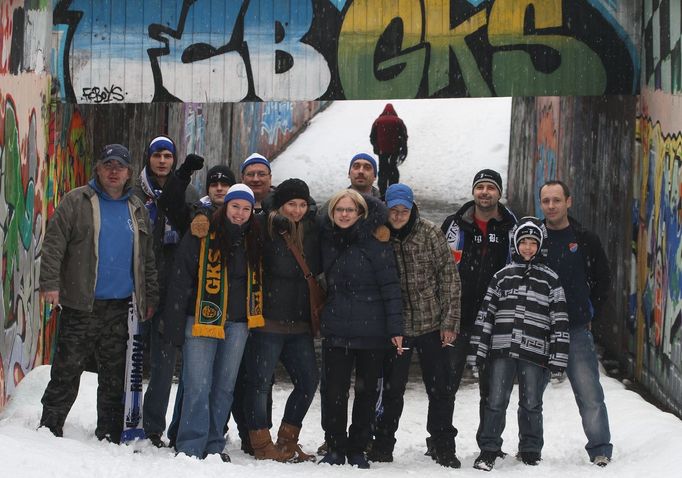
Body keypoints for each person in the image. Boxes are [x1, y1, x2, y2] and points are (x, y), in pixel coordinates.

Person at [39, 144, 158, 443]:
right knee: (68, 367)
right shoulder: (76, 201)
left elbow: (147, 259)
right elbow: (54, 246)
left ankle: (110, 430)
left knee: (114, 374)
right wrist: (50, 284)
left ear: (130, 171)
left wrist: (149, 297)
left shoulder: (137, 207)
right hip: (81, 304)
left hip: (121, 307)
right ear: (99, 168)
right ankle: (50, 425)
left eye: (120, 166)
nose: (114, 171)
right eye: (108, 165)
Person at [160, 184, 264, 462]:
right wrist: (173, 320)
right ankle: (191, 445)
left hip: (238, 324)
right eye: (235, 207)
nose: (240, 214)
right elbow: (181, 277)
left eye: (246, 209)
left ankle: (214, 443)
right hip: (201, 318)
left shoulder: (256, 237)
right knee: (197, 384)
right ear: (225, 207)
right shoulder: (202, 231)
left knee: (224, 387)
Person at [368, 184, 462, 467]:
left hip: (432, 324)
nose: (398, 216)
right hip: (398, 328)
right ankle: (383, 444)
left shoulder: (430, 232)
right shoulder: (379, 235)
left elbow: (449, 278)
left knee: (440, 389)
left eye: (404, 210)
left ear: (412, 208)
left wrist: (450, 321)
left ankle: (443, 445)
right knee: (393, 390)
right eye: (393, 210)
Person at [469, 217, 570, 471]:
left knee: (532, 402)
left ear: (539, 245)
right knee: (496, 400)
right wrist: (478, 352)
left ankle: (531, 448)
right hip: (502, 351)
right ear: (515, 244)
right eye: (523, 242)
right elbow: (486, 316)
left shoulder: (550, 279)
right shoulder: (502, 277)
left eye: (532, 243)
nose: (527, 248)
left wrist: (558, 358)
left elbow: (559, 320)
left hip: (535, 353)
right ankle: (489, 448)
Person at [317, 189, 403, 468]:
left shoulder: (376, 243)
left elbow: (390, 289)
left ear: (361, 213)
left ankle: (357, 447)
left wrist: (395, 328)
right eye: (339, 210)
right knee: (334, 393)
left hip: (372, 332)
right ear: (332, 213)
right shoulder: (326, 241)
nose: (344, 214)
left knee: (366, 395)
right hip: (337, 331)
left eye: (350, 210)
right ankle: (335, 446)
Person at [440, 169, 516, 457]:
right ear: (474, 191)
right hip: (457, 318)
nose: (485, 192)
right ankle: (441, 441)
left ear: (499, 193)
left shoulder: (511, 226)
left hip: (496, 321)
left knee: (492, 388)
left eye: (491, 188)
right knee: (446, 384)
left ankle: (489, 444)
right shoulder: (454, 225)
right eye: (480, 187)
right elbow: (440, 269)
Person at [245, 178, 320, 462]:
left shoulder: (313, 229)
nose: (297, 211)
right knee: (260, 383)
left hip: (299, 325)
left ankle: (288, 441)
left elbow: (362, 211)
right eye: (292, 204)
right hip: (268, 323)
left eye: (302, 204)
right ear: (281, 204)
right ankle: (261, 443)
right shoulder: (264, 227)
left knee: (308, 381)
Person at [539, 180, 613, 467]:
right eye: (546, 201)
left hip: (575, 329)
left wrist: (591, 312)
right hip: (539, 328)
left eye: (557, 200)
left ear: (568, 202)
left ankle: (600, 448)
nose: (551, 206)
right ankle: (530, 449)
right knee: (531, 396)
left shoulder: (584, 238)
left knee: (589, 393)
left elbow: (603, 279)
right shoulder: (534, 237)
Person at [132, 135, 200, 447]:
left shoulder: (186, 191)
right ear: (148, 158)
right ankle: (122, 418)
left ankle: (152, 427)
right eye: (157, 155)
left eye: (168, 156)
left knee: (162, 362)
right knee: (126, 359)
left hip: (170, 289)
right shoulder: (133, 194)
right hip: (137, 287)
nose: (162, 161)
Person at [370, 103, 408, 197]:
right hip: (394, 150)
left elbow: (372, 137)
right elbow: (404, 136)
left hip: (382, 151)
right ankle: (393, 189)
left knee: (382, 170)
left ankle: (382, 191)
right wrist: (402, 148)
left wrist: (377, 147)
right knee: (393, 169)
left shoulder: (378, 121)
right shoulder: (398, 121)